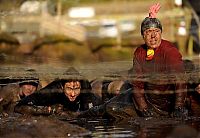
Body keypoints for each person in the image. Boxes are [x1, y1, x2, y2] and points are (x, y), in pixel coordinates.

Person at [131, 3, 188, 118]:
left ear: (161, 33)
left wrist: (178, 107)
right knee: (112, 108)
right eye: (148, 32)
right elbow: (137, 84)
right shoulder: (139, 52)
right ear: (143, 36)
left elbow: (180, 81)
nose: (153, 36)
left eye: (156, 31)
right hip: (149, 101)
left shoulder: (169, 51)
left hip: (167, 101)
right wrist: (143, 108)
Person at [14, 67, 102, 119]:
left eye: (76, 89)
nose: (72, 94)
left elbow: (90, 112)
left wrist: (72, 114)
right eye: (69, 88)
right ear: (62, 87)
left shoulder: (85, 88)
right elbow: (19, 107)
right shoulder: (53, 89)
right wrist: (47, 110)